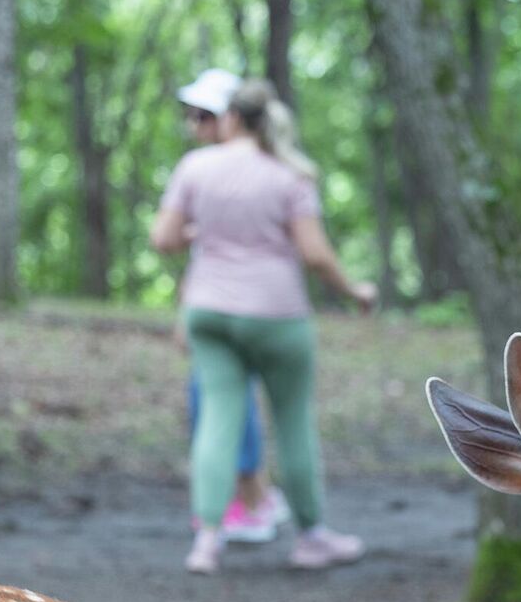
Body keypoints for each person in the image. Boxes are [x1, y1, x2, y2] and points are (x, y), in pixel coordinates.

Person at [151, 79, 377, 574]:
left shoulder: (196, 167)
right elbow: (315, 254)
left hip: (208, 311)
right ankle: (312, 537)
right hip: (276, 315)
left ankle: (207, 542)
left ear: (230, 118)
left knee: (216, 419)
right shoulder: (289, 175)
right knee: (292, 422)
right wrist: (352, 290)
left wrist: (205, 231)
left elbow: (163, 238)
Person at [172, 68, 290, 543]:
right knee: (218, 399)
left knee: (220, 399)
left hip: (239, 307)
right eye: (191, 115)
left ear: (232, 119)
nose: (193, 125)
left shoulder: (238, 170)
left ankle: (246, 503)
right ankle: (252, 497)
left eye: (202, 116)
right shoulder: (211, 168)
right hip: (220, 300)